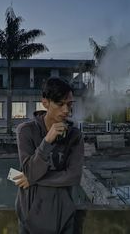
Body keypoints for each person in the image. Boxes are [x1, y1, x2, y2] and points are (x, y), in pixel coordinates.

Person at [13, 77, 84, 234]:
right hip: (30, 219)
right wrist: (47, 141)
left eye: (70, 104)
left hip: (63, 219)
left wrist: (32, 180)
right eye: (60, 104)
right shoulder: (26, 131)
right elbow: (30, 171)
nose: (66, 110)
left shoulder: (75, 135)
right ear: (45, 102)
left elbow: (73, 176)